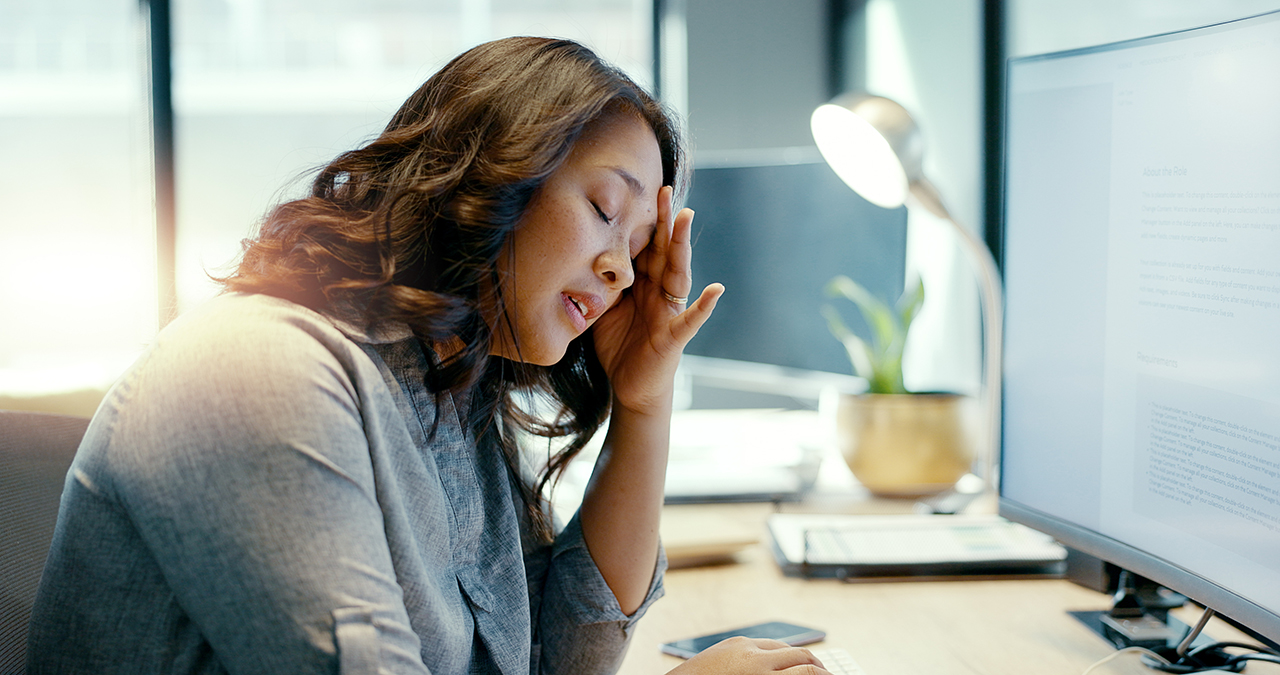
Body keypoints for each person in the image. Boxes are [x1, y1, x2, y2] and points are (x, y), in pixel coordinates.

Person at [27, 36, 832, 675]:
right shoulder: (260, 371)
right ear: (487, 175)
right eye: (602, 209)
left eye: (638, 248)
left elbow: (565, 659)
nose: (623, 270)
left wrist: (644, 402)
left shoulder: (447, 388)